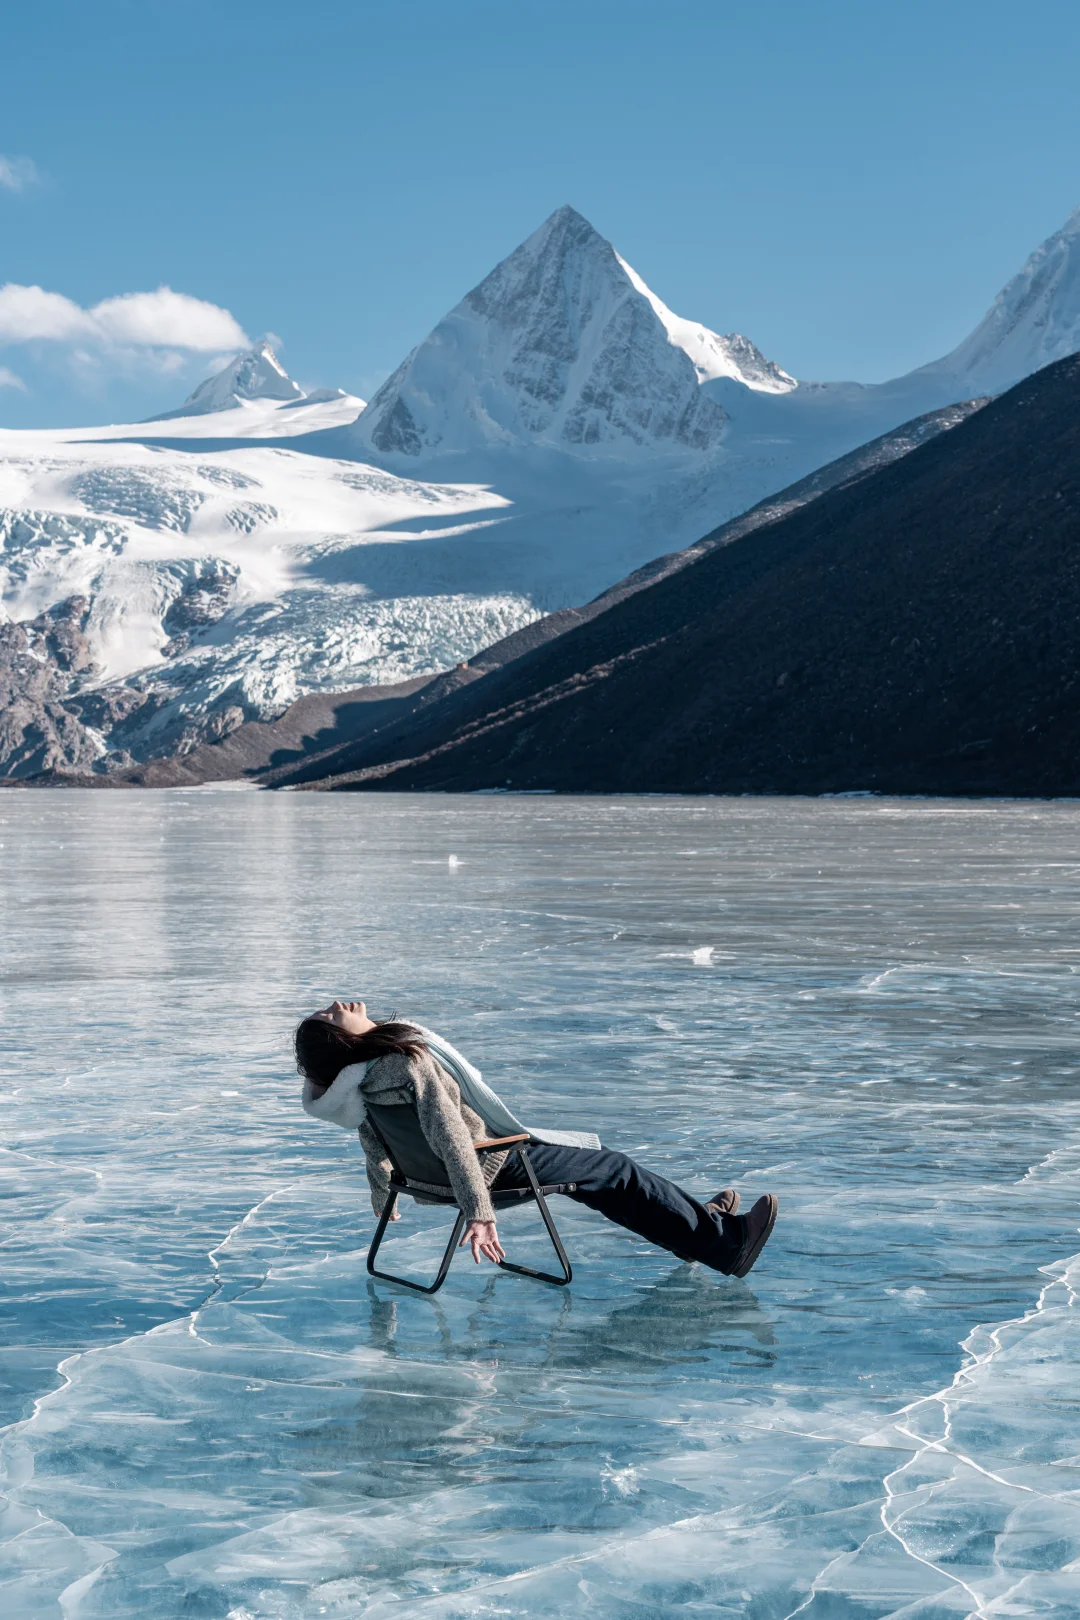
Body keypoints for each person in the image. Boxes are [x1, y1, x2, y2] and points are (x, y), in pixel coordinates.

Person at [295, 1000, 777, 1278]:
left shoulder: (361, 1080)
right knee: (614, 1170)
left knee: (600, 1177)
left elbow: (375, 1141)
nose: (341, 1005)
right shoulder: (405, 1064)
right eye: (332, 1016)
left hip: (435, 1176)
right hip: (487, 1167)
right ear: (346, 1043)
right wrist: (480, 1211)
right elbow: (451, 1137)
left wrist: (385, 1193)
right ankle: (726, 1243)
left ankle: (689, 1232)